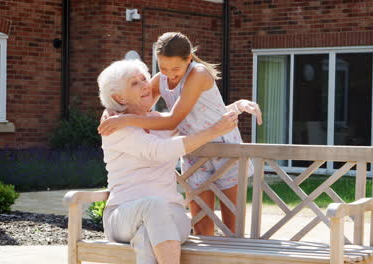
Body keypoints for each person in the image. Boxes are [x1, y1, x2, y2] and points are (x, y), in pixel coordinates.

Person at [98, 32, 262, 236]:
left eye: (176, 68)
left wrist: (124, 120)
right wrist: (112, 109)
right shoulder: (162, 80)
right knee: (202, 225)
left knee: (232, 226)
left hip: (223, 147)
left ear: (189, 59)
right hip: (193, 151)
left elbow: (173, 120)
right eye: (163, 67)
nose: (169, 73)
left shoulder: (198, 74)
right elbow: (139, 106)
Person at [98, 59, 239, 264]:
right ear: (119, 97)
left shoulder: (160, 121)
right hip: (122, 216)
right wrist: (213, 131)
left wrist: (237, 106)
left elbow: (196, 118)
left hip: (173, 217)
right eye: (134, 83)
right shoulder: (115, 128)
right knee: (153, 207)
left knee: (148, 234)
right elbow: (159, 150)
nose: (145, 85)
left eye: (144, 79)